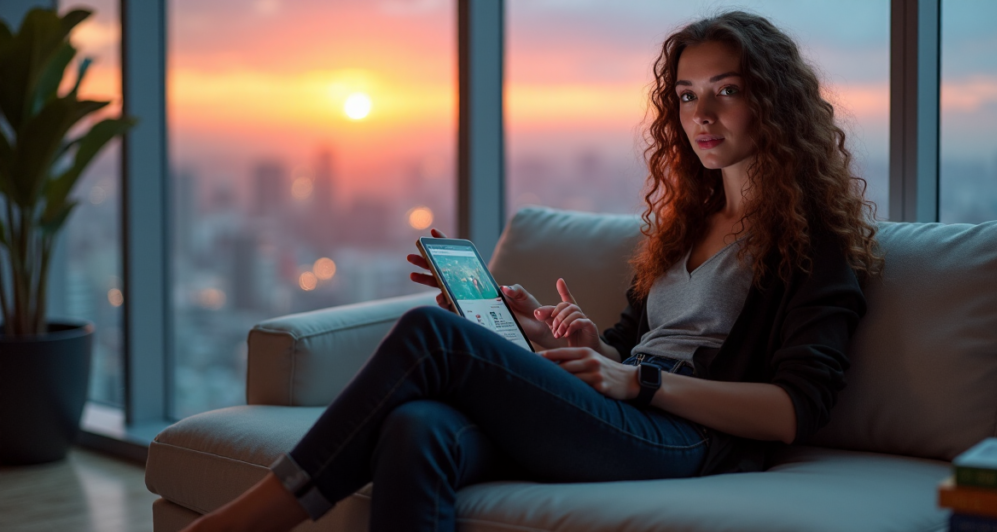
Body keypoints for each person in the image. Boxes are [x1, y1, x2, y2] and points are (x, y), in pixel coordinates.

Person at [183, 10, 881, 532]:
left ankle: (249, 520)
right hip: (630, 412)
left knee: (432, 332)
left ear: (774, 102)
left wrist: (637, 381)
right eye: (686, 95)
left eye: (724, 90)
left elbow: (796, 410)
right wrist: (552, 337)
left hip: (693, 442)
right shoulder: (682, 229)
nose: (700, 113)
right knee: (418, 427)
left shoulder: (814, 243)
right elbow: (625, 349)